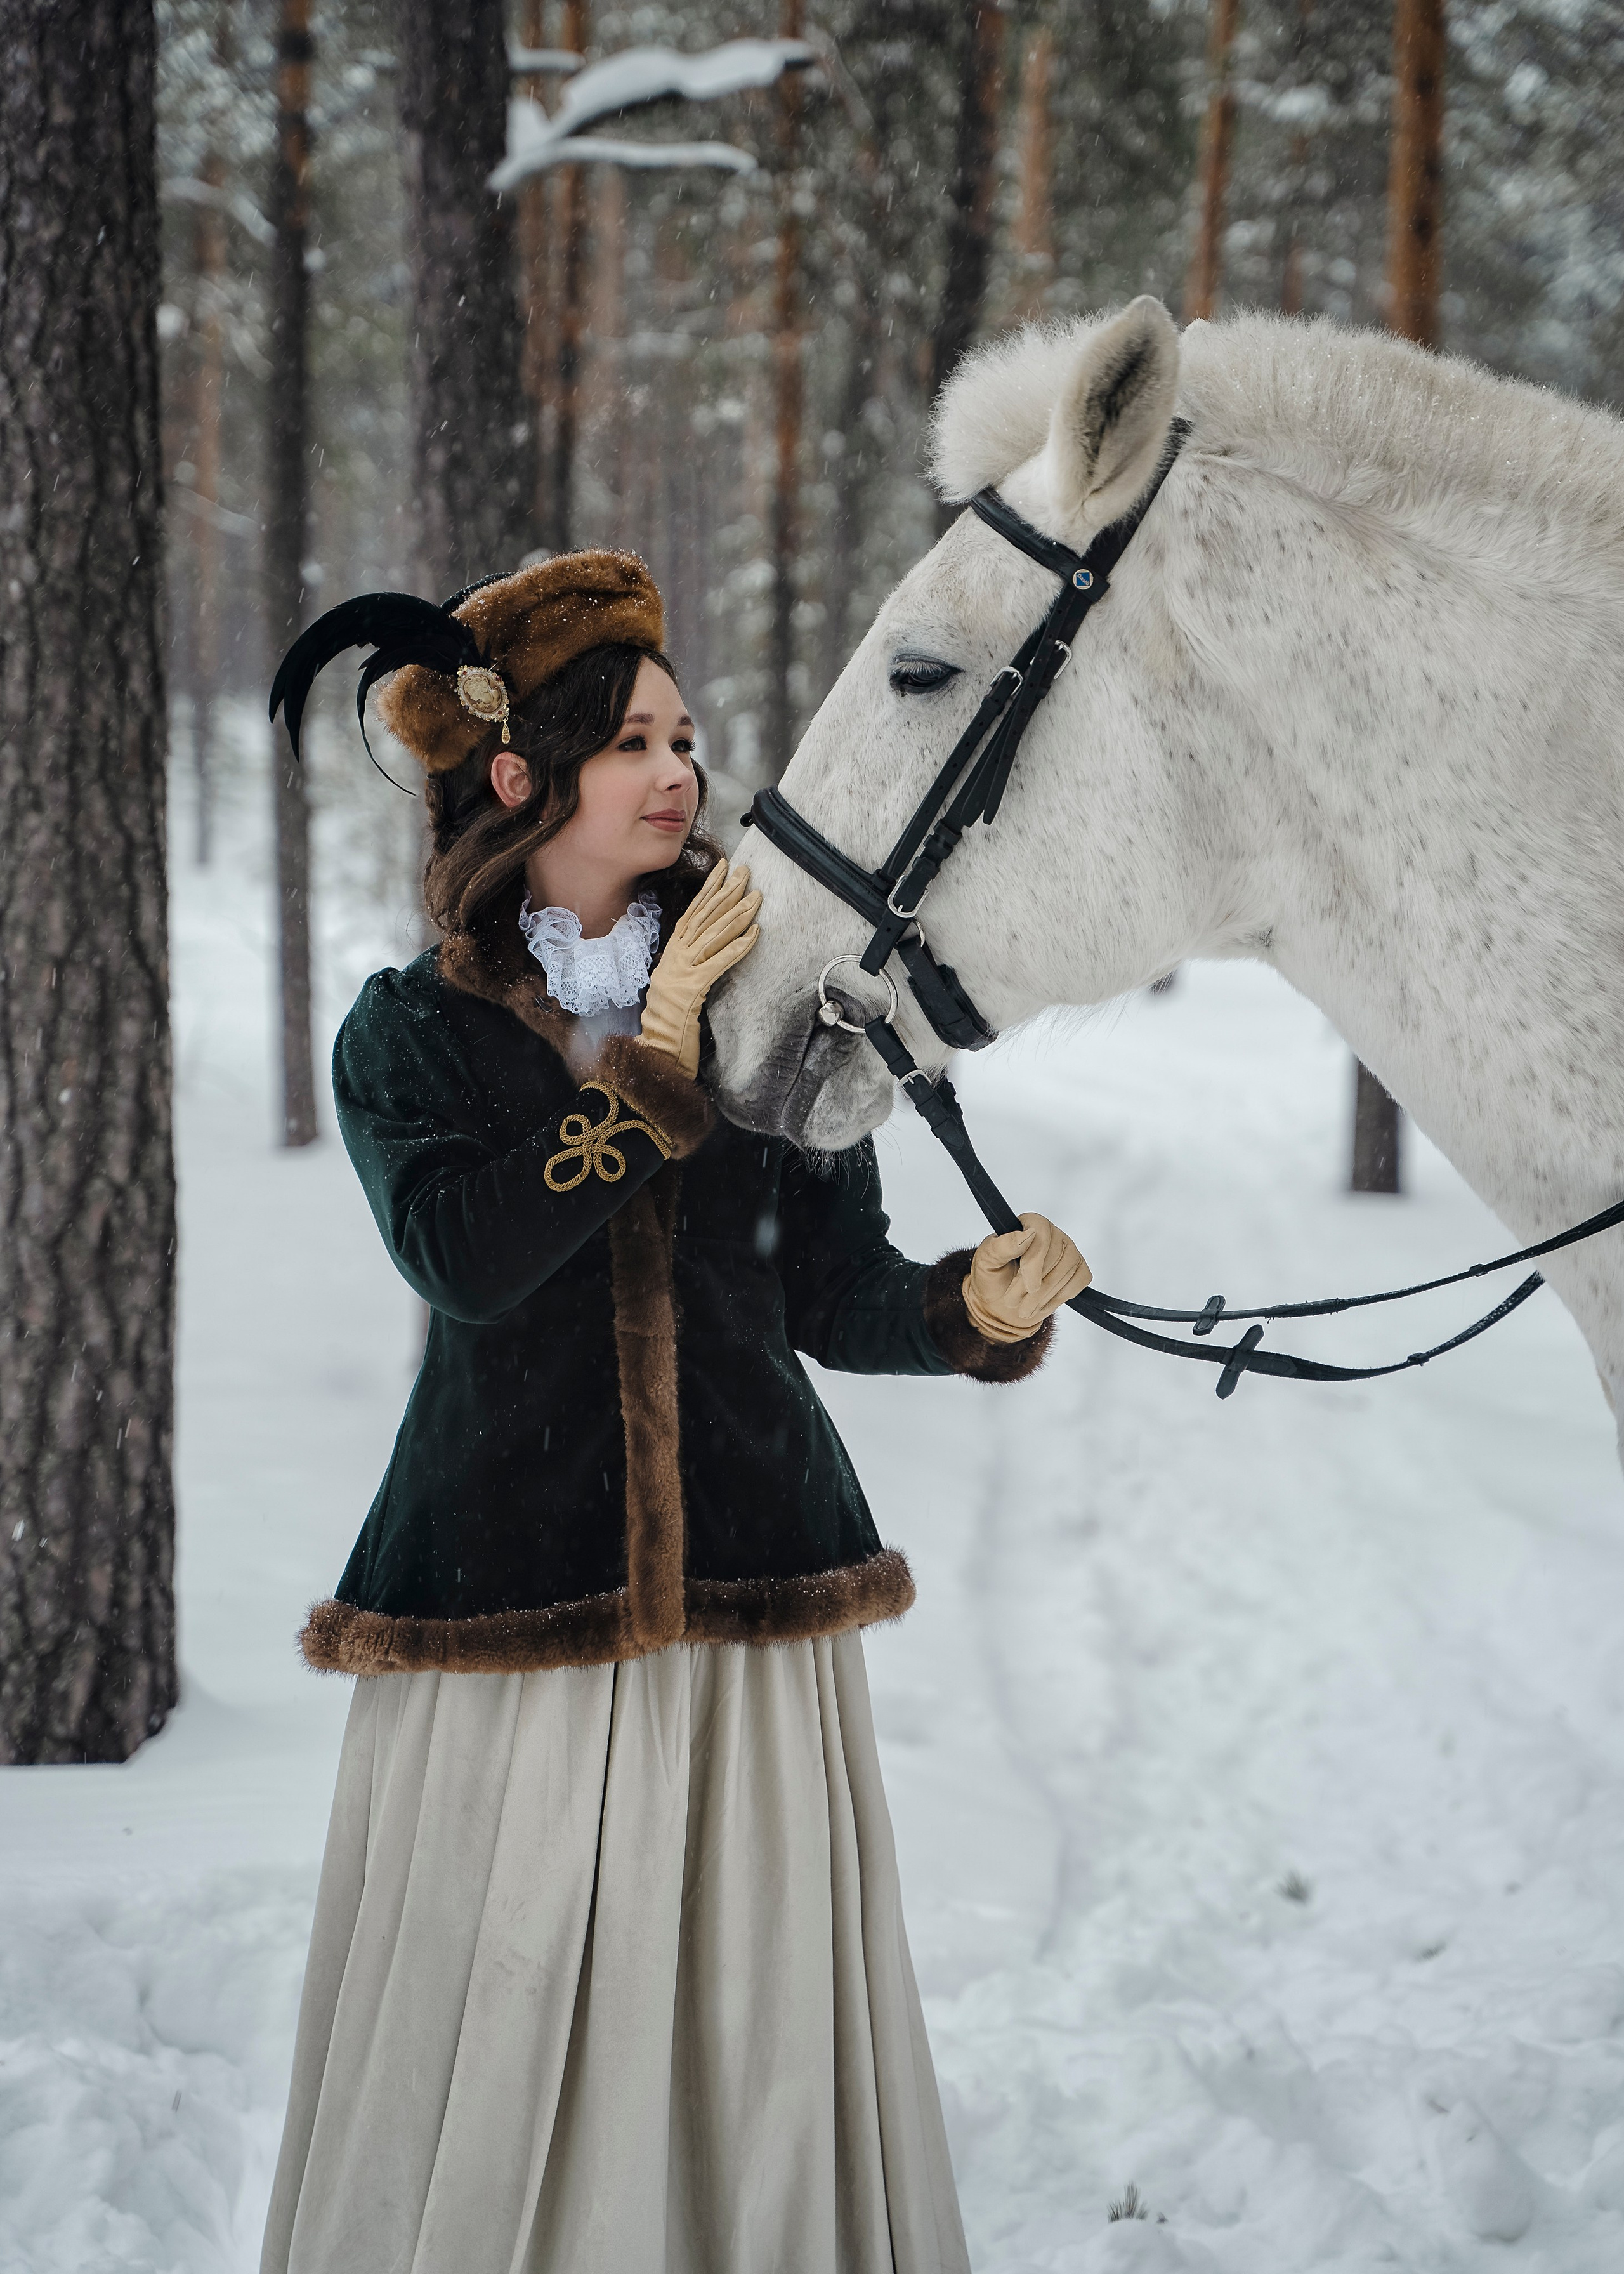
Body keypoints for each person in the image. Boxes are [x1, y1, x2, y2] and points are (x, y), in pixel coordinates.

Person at [259, 549, 1092, 2274]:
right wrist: (653, 1045)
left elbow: (826, 1293)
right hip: (510, 1609)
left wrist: (970, 1310)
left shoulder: (778, 1014)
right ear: (518, 775)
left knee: (749, 2028)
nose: (681, 772)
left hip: (754, 1601)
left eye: (688, 737)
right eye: (637, 740)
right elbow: (473, 1258)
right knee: (511, 2013)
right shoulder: (408, 1036)